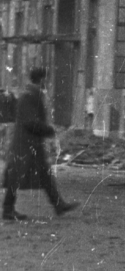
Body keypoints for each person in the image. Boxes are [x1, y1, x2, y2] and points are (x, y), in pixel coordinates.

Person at [2, 66, 78, 222]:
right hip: (25, 145)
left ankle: (59, 205)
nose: (47, 82)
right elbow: (30, 122)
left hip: (31, 144)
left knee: (44, 175)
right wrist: (49, 129)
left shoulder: (31, 95)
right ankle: (8, 210)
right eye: (46, 79)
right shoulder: (29, 96)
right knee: (15, 177)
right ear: (42, 79)